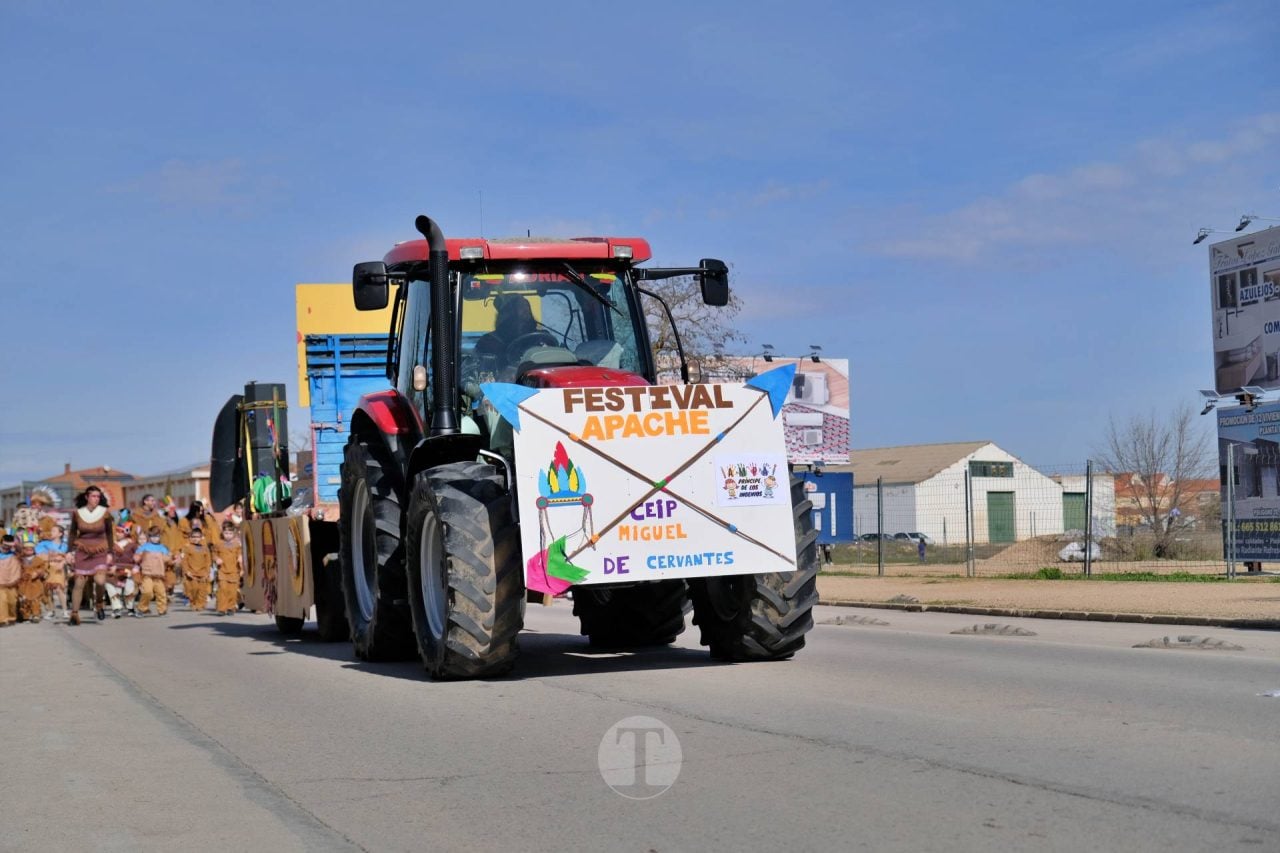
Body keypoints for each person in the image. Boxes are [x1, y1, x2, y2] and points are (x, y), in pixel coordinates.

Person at [67, 485, 115, 625]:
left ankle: (99, 603)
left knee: (100, 581)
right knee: (79, 583)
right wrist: (69, 551)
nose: (96, 499)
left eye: (98, 496)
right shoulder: (78, 513)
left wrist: (110, 552)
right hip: (82, 549)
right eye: (93, 496)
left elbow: (110, 533)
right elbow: (72, 533)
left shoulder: (104, 512)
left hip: (100, 549)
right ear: (87, 497)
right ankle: (74, 615)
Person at [133, 527, 171, 617]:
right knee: (147, 592)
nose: (155, 538)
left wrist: (172, 558)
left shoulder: (163, 548)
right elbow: (137, 556)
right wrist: (138, 557)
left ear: (160, 537)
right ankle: (142, 608)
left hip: (159, 575)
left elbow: (168, 559)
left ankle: (162, 609)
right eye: (152, 536)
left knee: (161, 593)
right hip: (147, 574)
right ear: (149, 537)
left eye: (157, 536)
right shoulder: (145, 547)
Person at [35, 524, 69, 620]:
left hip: (59, 569)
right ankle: (51, 611)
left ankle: (65, 611)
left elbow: (67, 557)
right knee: (48, 591)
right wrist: (53, 556)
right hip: (48, 569)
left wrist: (62, 561)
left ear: (60, 534)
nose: (51, 533)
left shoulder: (65, 545)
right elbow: (39, 554)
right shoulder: (44, 543)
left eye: (54, 531)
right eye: (51, 530)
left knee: (59, 589)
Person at [107, 523, 139, 618]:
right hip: (116, 569)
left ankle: (130, 608)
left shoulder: (132, 544)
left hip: (129, 569)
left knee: (129, 589)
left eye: (120, 532)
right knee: (116, 590)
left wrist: (136, 567)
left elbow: (138, 556)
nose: (118, 534)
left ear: (126, 532)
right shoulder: (112, 545)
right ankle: (116, 608)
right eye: (116, 531)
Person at [178, 527, 214, 611]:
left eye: (198, 537)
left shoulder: (205, 548)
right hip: (191, 573)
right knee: (193, 590)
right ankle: (193, 602)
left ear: (201, 537)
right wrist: (187, 571)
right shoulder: (187, 547)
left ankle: (201, 605)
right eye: (193, 537)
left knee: (202, 590)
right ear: (190, 537)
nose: (195, 539)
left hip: (202, 573)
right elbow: (184, 561)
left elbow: (208, 561)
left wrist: (207, 572)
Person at [211, 522, 242, 616]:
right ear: (222, 533)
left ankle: (231, 608)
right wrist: (217, 559)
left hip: (234, 571)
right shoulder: (218, 544)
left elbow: (240, 553)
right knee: (223, 590)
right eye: (226, 533)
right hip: (222, 571)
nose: (228, 535)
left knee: (232, 591)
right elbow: (213, 554)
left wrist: (240, 557)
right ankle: (221, 609)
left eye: (230, 533)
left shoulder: (237, 544)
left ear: (234, 534)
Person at [17, 541, 45, 623]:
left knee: (35, 599)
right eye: (27, 549)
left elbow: (43, 569)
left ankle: (36, 614)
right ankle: (25, 615)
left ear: (34, 550)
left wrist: (38, 572)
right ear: (23, 550)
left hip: (35, 582)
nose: (29, 551)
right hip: (23, 583)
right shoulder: (19, 559)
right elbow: (16, 569)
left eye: (31, 549)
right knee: (24, 599)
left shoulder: (39, 560)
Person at [0, 534, 19, 626]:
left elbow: (17, 569)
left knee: (12, 602)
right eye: (5, 545)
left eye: (9, 546)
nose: (6, 548)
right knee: (2, 600)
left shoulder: (14, 555)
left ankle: (12, 617)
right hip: (0, 583)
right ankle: (2, 619)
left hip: (11, 582)